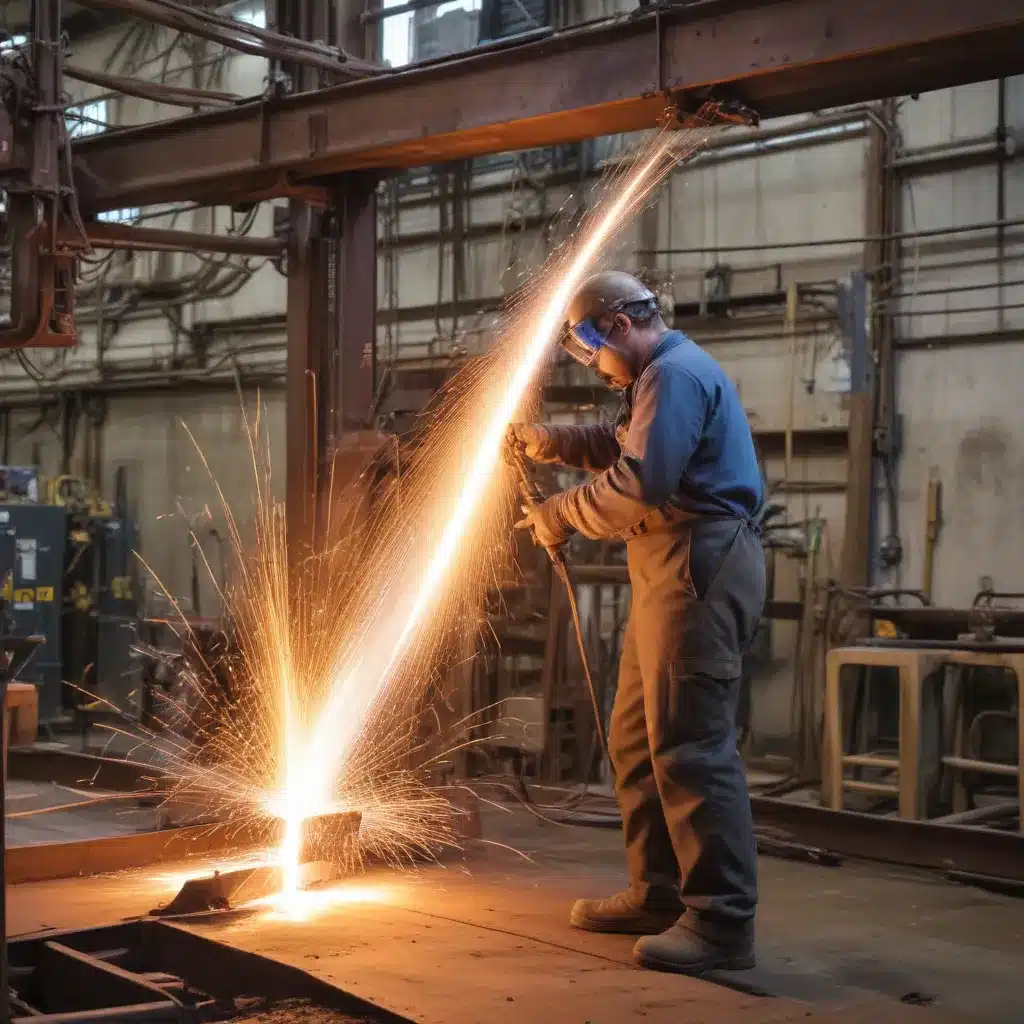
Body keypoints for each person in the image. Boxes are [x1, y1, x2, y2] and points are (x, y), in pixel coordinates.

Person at [508, 270, 766, 975]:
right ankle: (660, 895)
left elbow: (641, 481)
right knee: (635, 737)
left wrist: (558, 514)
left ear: (620, 326)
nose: (591, 361)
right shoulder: (653, 379)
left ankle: (720, 923)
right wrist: (549, 440)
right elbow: (623, 445)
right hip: (668, 564)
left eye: (591, 348)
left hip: (697, 566)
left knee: (689, 747)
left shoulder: (675, 376)